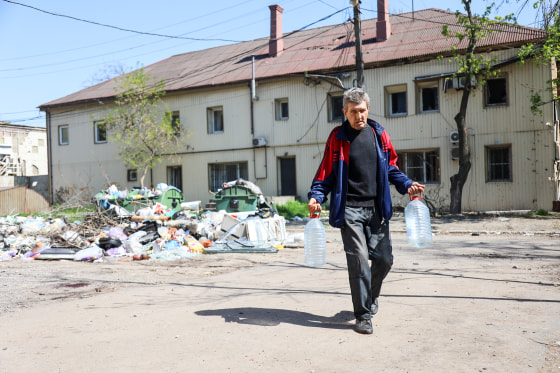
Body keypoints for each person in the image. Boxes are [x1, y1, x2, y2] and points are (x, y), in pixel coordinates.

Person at [307, 87, 424, 335]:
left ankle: (370, 298)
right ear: (345, 112)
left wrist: (406, 184)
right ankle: (363, 315)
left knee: (384, 260)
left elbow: (391, 168)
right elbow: (326, 173)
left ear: (368, 109)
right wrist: (316, 197)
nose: (358, 115)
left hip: (377, 209)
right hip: (349, 209)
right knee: (359, 261)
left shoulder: (379, 134)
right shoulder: (337, 138)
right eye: (353, 112)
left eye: (362, 110)